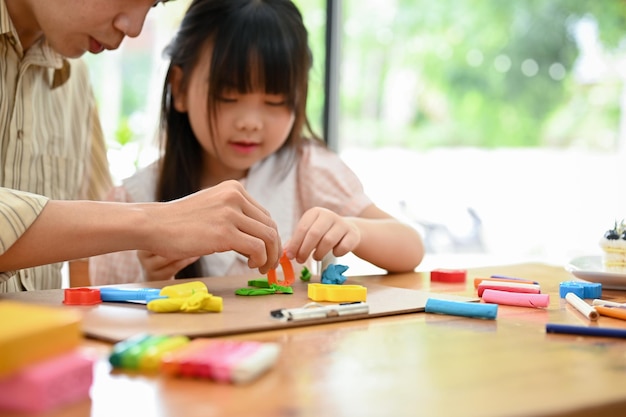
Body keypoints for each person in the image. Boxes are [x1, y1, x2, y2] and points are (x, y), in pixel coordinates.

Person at [89, 0, 425, 285]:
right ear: (179, 88)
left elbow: (410, 248)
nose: (250, 121)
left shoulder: (308, 170)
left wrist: (352, 229)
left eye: (275, 100)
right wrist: (153, 278)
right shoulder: (135, 202)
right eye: (228, 95)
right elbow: (100, 317)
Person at [0, 0, 281, 292]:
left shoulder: (74, 82)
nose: (134, 29)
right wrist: (155, 224)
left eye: (154, 4)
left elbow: (86, 250)